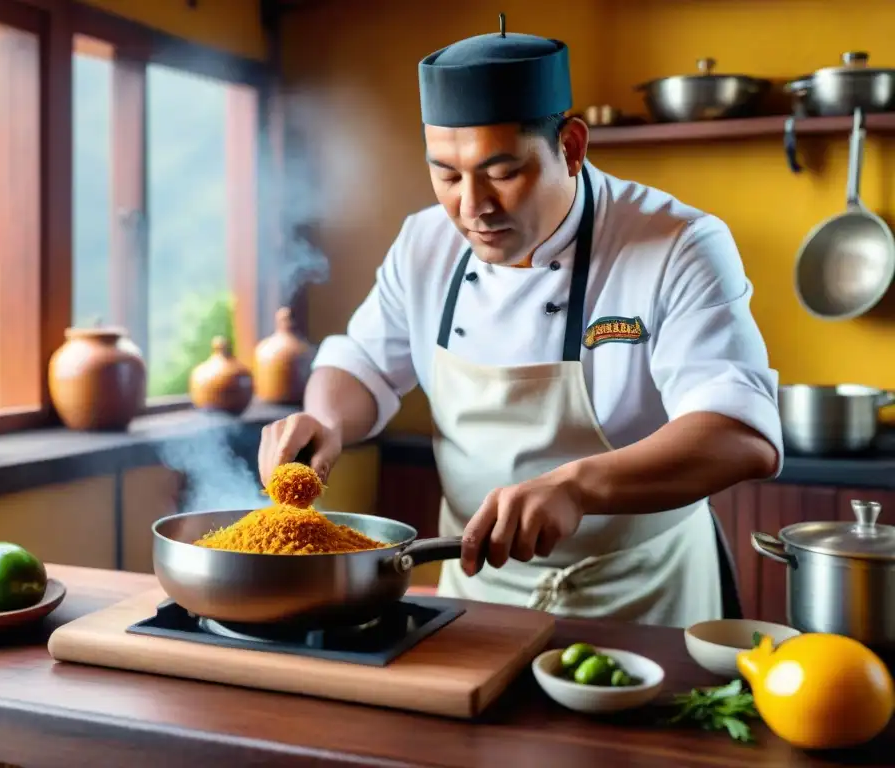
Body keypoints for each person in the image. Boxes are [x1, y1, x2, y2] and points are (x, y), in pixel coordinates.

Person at [257, 16, 782, 627]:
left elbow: (741, 435)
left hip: (643, 593)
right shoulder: (424, 242)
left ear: (572, 147)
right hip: (477, 594)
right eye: (447, 175)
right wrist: (324, 420)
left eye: (502, 173)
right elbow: (364, 363)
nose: (472, 207)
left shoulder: (678, 244)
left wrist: (577, 486)